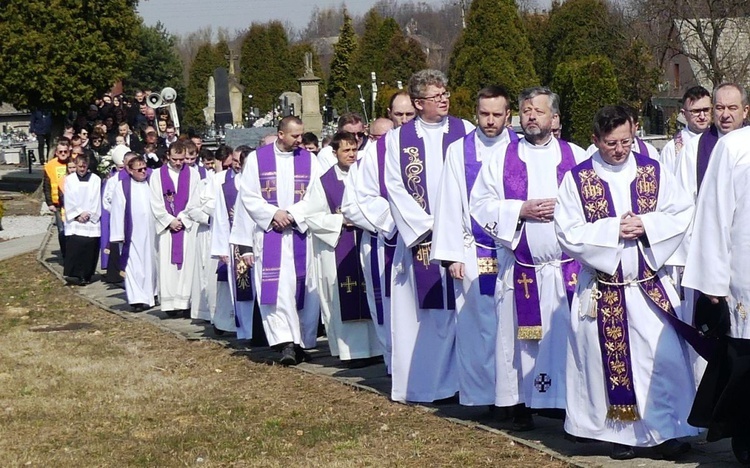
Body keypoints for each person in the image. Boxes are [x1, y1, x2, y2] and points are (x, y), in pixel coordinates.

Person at [555, 105, 698, 460]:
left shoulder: (653, 170)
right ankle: (622, 436)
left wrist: (648, 226)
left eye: (626, 141)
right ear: (595, 140)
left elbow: (680, 211)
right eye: (610, 143)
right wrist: (613, 229)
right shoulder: (577, 179)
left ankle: (669, 431)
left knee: (661, 360)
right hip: (604, 290)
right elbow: (567, 231)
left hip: (648, 284)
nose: (620, 150)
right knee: (609, 363)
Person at [469, 87, 587, 428]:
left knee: (567, 338)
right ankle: (518, 405)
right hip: (523, 268)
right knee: (519, 339)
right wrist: (519, 209)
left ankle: (569, 409)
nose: (530, 116)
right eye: (525, 110)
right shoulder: (501, 158)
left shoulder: (575, 156)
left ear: (555, 118)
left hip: (567, 269)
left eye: (538, 110)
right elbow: (480, 205)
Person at [383, 69, 474, 403]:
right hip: (422, 240)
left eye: (446, 93)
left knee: (464, 311)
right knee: (428, 317)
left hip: (462, 238)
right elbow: (394, 187)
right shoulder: (397, 140)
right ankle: (429, 385)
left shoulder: (465, 131)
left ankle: (466, 382)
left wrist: (456, 222)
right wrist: (428, 226)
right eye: (437, 96)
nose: (445, 99)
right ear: (419, 103)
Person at [431, 86, 518, 411]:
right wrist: (451, 255)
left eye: (497, 114)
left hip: (510, 251)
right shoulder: (459, 150)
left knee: (509, 325)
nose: (490, 121)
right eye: (484, 114)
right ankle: (482, 397)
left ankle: (513, 398)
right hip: (472, 249)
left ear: (508, 115)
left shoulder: (519, 149)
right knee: (476, 327)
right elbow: (450, 201)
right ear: (475, 113)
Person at [682, 123, 750, 465]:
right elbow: (714, 213)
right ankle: (745, 434)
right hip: (745, 274)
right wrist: (712, 280)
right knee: (744, 364)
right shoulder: (735, 147)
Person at [236, 116, 321, 365]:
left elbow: (317, 194)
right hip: (270, 235)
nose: (300, 140)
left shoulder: (309, 159)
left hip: (300, 234)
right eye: (295, 135)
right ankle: (286, 343)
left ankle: (301, 341)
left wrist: (293, 215)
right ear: (281, 134)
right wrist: (274, 213)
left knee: (303, 290)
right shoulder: (257, 159)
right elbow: (248, 196)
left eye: (302, 135)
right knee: (279, 291)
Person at [343, 90, 417, 375]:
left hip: (422, 241)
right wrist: (394, 223)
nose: (404, 120)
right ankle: (394, 363)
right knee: (387, 305)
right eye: (398, 115)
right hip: (382, 241)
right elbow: (353, 205)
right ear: (389, 113)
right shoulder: (371, 156)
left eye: (409, 114)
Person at [306, 131, 382, 364]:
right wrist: (341, 221)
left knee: (370, 291)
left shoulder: (365, 175)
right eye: (345, 150)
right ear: (334, 152)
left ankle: (377, 348)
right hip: (339, 245)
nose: (351, 154)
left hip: (366, 243)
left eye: (354, 149)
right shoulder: (323, 182)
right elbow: (312, 216)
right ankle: (350, 352)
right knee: (341, 297)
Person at [149, 140, 201, 317]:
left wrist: (183, 219)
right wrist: (169, 220)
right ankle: (170, 304)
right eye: (175, 159)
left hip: (186, 228)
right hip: (167, 229)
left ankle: (185, 303)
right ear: (168, 157)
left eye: (181, 159)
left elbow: (196, 199)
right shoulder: (157, 175)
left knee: (188, 264)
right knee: (167, 265)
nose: (179, 163)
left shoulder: (193, 174)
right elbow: (155, 202)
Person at [677, 82, 749, 202]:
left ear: (745, 111)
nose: (725, 115)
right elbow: (682, 203)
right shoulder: (693, 149)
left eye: (732, 108)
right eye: (720, 108)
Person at [211, 145, 255, 336]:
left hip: (260, 243)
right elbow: (220, 217)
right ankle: (246, 330)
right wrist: (222, 248)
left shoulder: (258, 184)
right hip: (237, 247)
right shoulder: (227, 188)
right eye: (234, 161)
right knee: (242, 291)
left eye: (239, 161)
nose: (235, 165)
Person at [109, 155, 157, 312]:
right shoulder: (122, 187)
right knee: (133, 266)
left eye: (145, 168)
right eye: (139, 169)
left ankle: (151, 294)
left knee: (151, 264)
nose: (143, 172)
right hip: (132, 233)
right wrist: (118, 236)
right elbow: (117, 211)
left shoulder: (151, 183)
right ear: (129, 170)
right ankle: (137, 299)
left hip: (151, 231)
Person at [63, 154, 102, 285]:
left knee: (89, 249)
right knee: (75, 247)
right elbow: (68, 198)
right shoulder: (70, 180)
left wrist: (89, 214)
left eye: (84, 166)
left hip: (90, 219)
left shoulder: (95, 179)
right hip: (76, 220)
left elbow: (96, 198)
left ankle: (86, 275)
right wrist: (77, 214)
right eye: (79, 166)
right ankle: (73, 274)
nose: (82, 169)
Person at [659, 86, 712, 175]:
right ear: (684, 114)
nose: (702, 116)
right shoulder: (671, 149)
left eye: (706, 110)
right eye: (696, 111)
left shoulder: (720, 140)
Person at [43, 139, 72, 258]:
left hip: (72, 202)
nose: (63, 154)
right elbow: (46, 185)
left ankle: (72, 253)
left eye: (65, 151)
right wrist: (49, 203)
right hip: (58, 204)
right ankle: (65, 254)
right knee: (62, 230)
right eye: (61, 152)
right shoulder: (50, 166)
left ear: (69, 152)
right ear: (56, 152)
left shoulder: (73, 163)